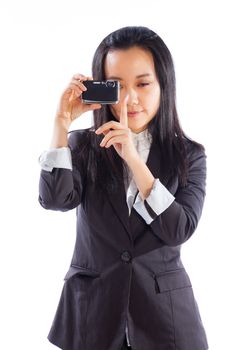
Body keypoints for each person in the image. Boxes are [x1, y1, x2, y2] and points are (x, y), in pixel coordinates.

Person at [38, 26, 208, 350]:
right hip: (92, 314)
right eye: (115, 86)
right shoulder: (84, 146)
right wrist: (61, 123)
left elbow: (179, 228)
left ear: (164, 85)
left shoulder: (189, 155)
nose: (130, 99)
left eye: (143, 84)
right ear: (101, 88)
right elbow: (55, 199)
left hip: (166, 320)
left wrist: (133, 160)